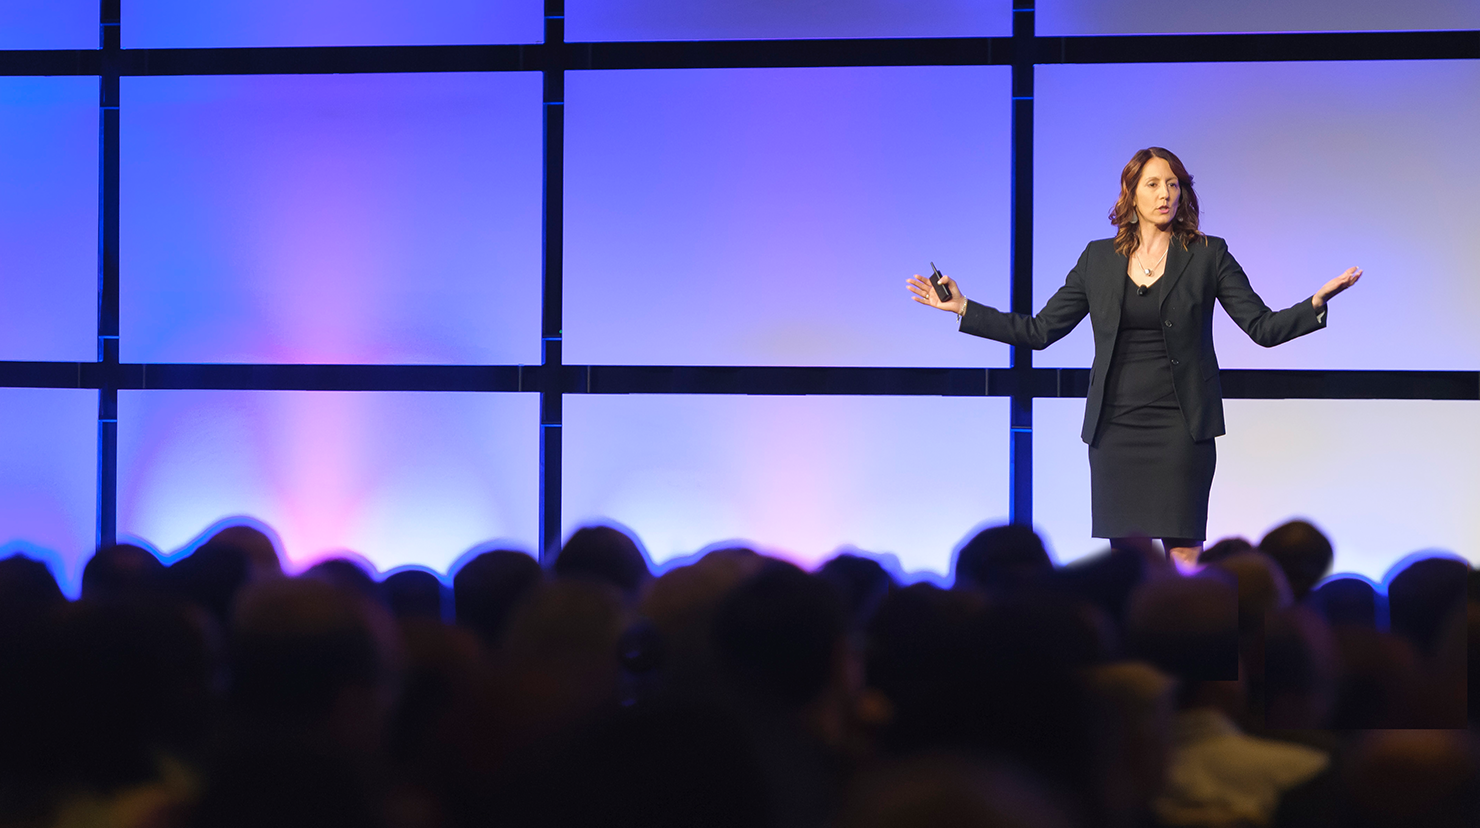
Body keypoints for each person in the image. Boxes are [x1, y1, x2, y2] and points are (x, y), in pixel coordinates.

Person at [906, 147, 1361, 569]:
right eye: (1153, 184)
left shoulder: (1208, 255)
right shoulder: (1097, 260)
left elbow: (1263, 328)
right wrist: (965, 308)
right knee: (1128, 563)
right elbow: (1040, 331)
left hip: (1182, 428)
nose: (1165, 194)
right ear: (1131, 193)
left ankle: (1184, 650)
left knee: (1183, 551)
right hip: (1116, 429)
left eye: (1174, 184)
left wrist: (1316, 303)